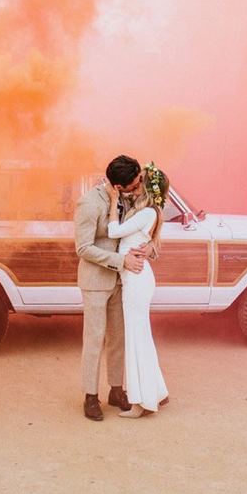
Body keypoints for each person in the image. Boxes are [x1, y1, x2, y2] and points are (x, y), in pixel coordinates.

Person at [74, 155, 156, 421]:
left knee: (119, 339)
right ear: (119, 186)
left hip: (123, 282)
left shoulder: (129, 198)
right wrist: (122, 261)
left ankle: (116, 390)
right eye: (134, 184)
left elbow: (141, 231)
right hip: (96, 282)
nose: (138, 187)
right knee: (95, 340)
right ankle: (90, 396)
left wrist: (150, 247)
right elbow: (83, 248)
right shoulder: (89, 203)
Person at [105, 161, 169, 418]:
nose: (135, 185)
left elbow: (113, 232)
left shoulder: (146, 213)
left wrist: (112, 201)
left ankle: (142, 403)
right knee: (141, 337)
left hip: (136, 279)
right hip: (137, 278)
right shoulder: (146, 211)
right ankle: (157, 391)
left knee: (136, 338)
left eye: (140, 180)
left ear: (148, 187)